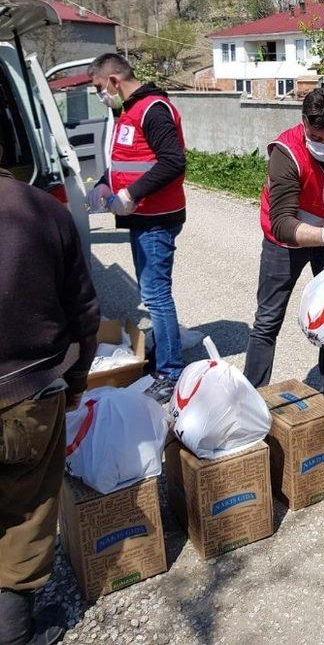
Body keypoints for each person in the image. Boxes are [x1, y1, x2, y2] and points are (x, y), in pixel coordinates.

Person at [0, 133, 100, 645]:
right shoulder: (42, 210)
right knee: (24, 521)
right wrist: (78, 380)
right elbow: (84, 310)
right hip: (29, 394)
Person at [244, 86, 324, 425]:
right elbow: (283, 223)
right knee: (267, 320)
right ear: (304, 124)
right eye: (317, 136)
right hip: (285, 243)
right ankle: (249, 405)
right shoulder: (285, 153)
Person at [86, 53, 186, 404]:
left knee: (157, 296)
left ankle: (171, 372)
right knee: (152, 292)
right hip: (140, 215)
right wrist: (103, 183)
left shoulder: (152, 109)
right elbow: (125, 160)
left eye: (100, 88)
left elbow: (173, 161)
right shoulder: (126, 110)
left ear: (114, 80)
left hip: (157, 217)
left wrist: (131, 193)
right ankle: (163, 357)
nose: (101, 95)